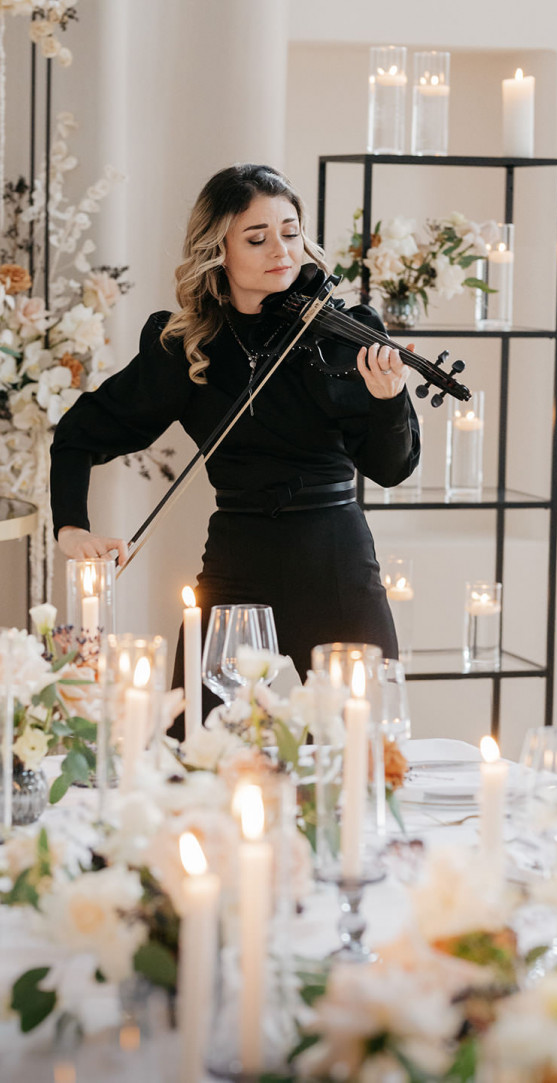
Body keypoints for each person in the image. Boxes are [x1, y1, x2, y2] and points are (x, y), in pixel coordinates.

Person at [50, 163, 420, 723]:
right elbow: (79, 433)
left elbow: (392, 468)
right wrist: (71, 526)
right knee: (199, 745)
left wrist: (389, 399)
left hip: (334, 559)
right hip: (236, 562)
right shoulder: (188, 347)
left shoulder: (345, 333)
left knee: (363, 748)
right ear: (216, 248)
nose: (282, 250)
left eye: (291, 232)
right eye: (257, 237)